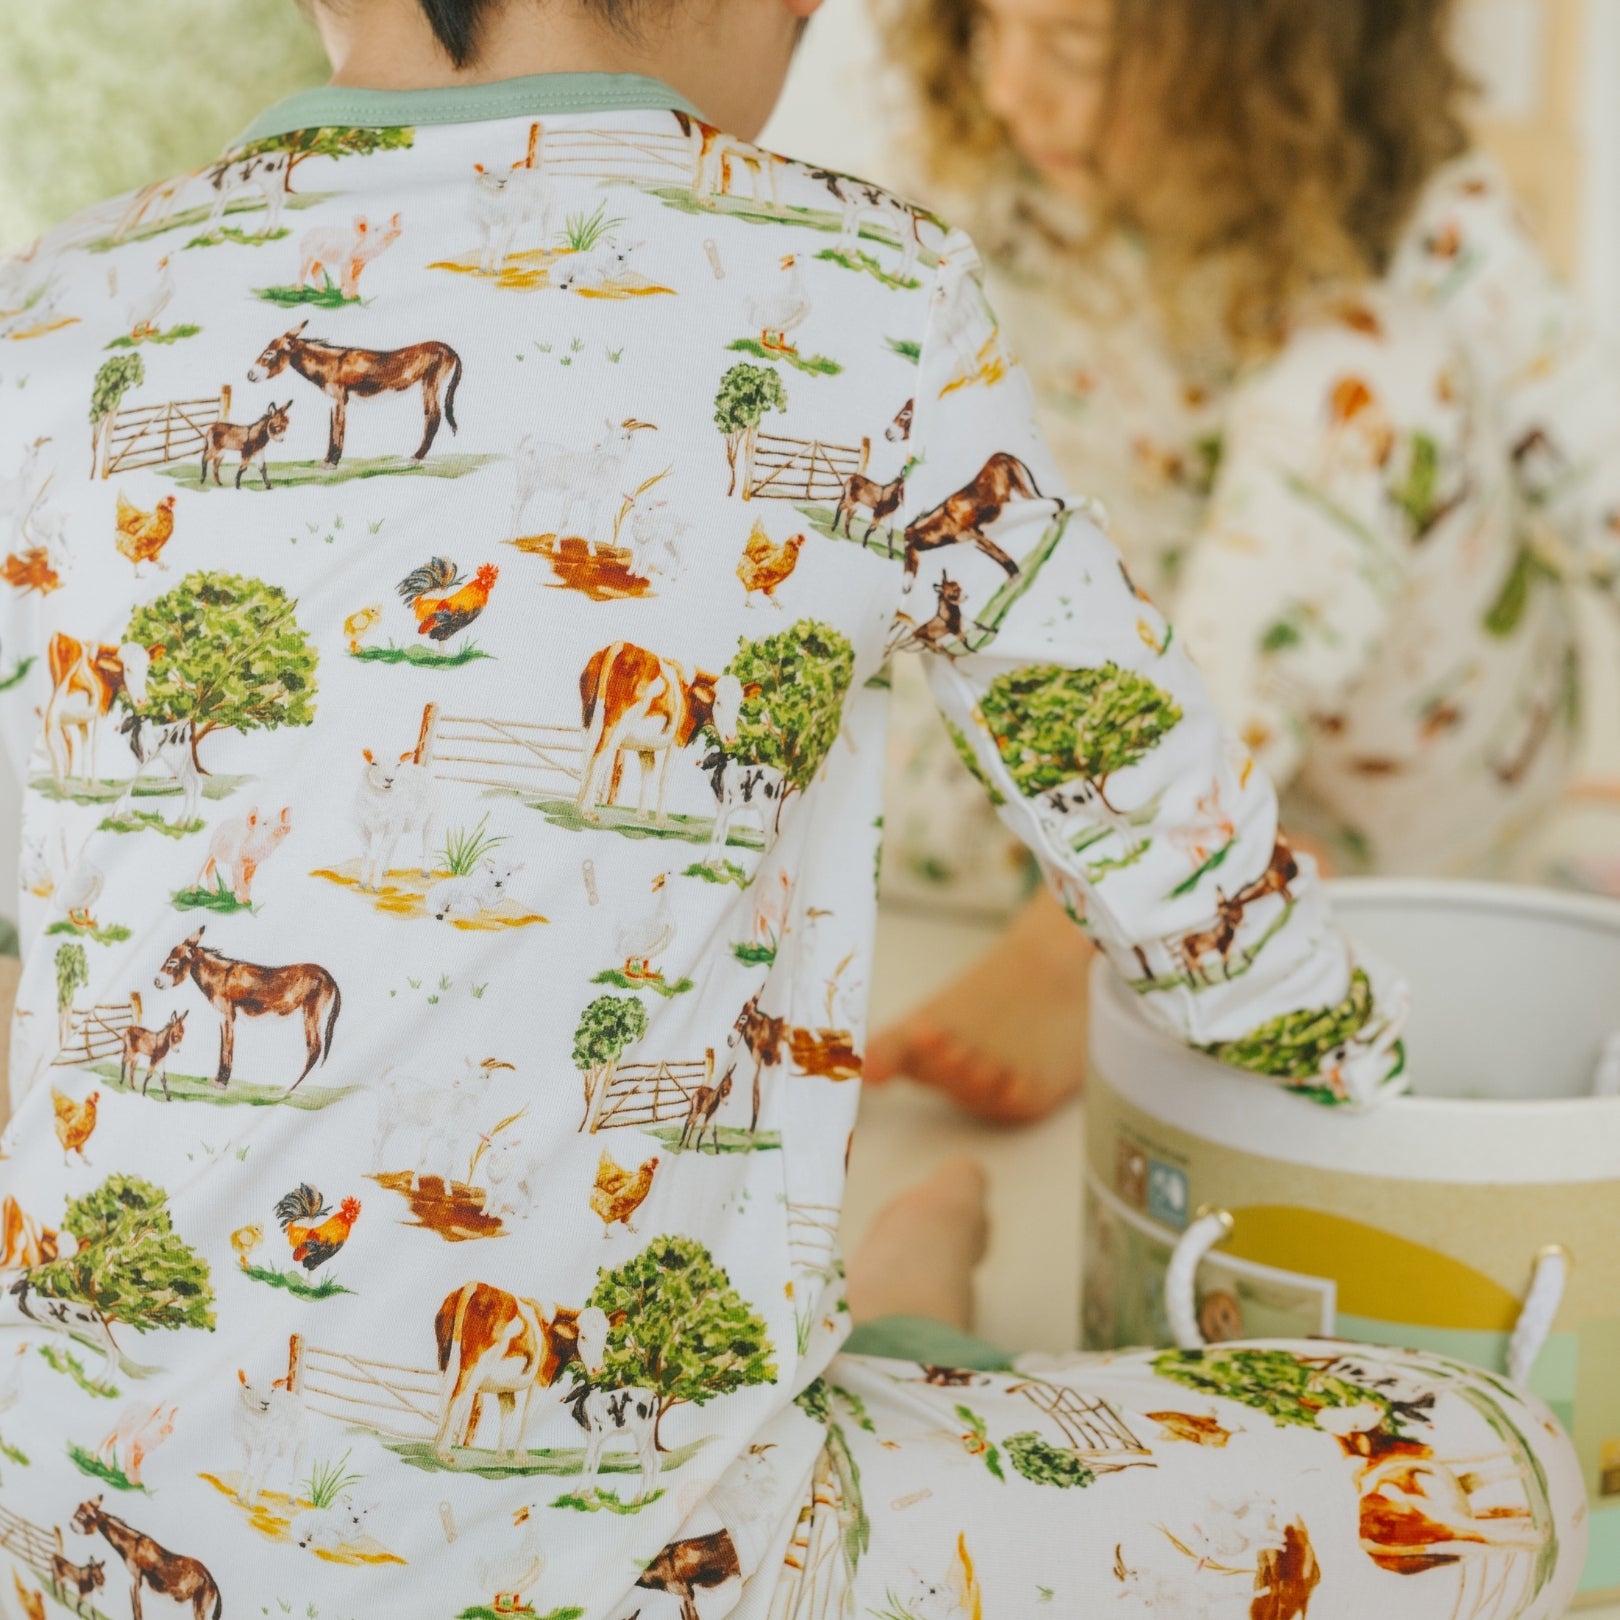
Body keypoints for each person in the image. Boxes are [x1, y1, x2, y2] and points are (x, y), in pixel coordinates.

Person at [0, 1, 1583, 1613]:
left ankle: (884, 1339)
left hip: (57, 1543)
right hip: (673, 1565)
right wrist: (1367, 1074)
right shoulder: (871, 284)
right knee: (1496, 1464)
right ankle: (906, 1335)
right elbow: (1174, 847)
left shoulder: (51, 302)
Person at [870, 0, 1620, 1122]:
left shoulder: (1431, 228)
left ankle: (1118, 910)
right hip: (1095, 767)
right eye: (987, 25)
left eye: (1074, 46)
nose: (1010, 88)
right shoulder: (999, 202)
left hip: (1395, 801)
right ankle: (1161, 880)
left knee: (1367, 373)